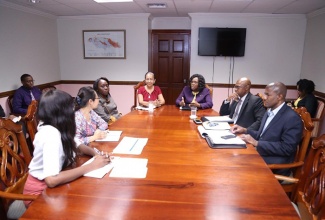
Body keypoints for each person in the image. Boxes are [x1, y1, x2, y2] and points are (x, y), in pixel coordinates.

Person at [23, 89, 110, 207]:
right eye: (71, 107)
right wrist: (92, 166)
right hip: (39, 195)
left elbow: (77, 144)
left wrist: (95, 154)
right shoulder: (50, 134)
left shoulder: (58, 125)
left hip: (54, 186)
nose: (73, 110)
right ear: (62, 111)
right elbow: (51, 180)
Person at [231, 82, 303, 176]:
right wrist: (245, 130)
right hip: (263, 154)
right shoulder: (269, 111)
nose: (264, 97)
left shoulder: (291, 118)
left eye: (267, 94)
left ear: (279, 97)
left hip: (276, 164)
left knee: (238, 162)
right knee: (234, 156)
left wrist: (257, 143)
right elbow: (261, 135)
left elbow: (287, 148)